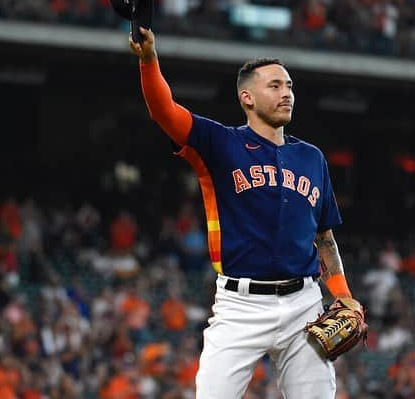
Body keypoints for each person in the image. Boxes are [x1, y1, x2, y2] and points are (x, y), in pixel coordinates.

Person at [129, 26, 364, 398]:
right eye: (274, 86)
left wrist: (343, 293)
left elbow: (325, 237)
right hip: (241, 305)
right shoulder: (222, 143)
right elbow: (164, 113)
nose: (286, 93)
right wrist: (148, 60)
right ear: (247, 97)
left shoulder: (312, 158)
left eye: (289, 86)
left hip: (304, 302)